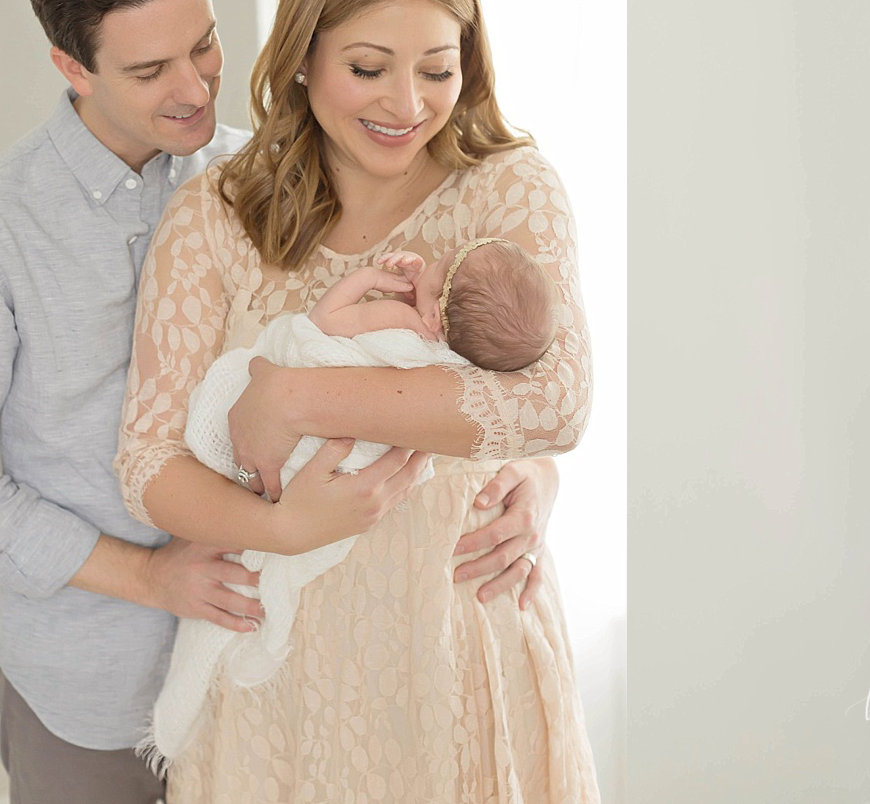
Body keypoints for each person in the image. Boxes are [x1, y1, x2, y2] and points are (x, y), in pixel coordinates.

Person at [0, 0, 560, 804]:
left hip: (272, 671)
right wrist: (148, 574)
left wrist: (528, 471)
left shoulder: (257, 183)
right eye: (151, 68)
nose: (196, 88)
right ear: (70, 66)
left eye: (204, 46)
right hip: (102, 665)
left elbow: (443, 370)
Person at [116, 0, 596, 803]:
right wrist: (279, 529)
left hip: (457, 643)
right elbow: (146, 464)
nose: (406, 105)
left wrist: (296, 398)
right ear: (302, 54)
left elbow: (557, 405)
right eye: (368, 68)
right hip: (281, 678)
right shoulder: (215, 214)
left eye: (438, 69)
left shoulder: (508, 190)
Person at [150, 238, 564, 760]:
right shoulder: (459, 366)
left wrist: (364, 284)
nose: (427, 262)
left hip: (317, 452)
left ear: (434, 309)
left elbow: (326, 327)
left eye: (436, 271)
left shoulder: (401, 322)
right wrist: (429, 290)